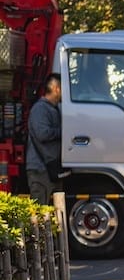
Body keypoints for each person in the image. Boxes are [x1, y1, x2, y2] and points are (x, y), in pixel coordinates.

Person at [26, 73, 67, 205]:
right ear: (56, 88)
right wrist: (64, 132)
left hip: (49, 168)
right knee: (40, 213)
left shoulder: (52, 109)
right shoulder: (40, 109)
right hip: (40, 169)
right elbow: (42, 133)